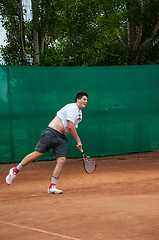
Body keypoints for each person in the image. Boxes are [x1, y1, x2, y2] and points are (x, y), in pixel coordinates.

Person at [6, 92, 88, 194]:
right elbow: (70, 125)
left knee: (62, 160)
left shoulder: (80, 114)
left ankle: (52, 186)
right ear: (78, 100)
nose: (86, 101)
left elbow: (70, 128)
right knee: (37, 154)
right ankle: (14, 171)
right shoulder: (72, 107)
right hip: (51, 133)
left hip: (61, 137)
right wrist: (78, 140)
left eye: (86, 100)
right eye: (84, 99)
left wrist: (67, 130)